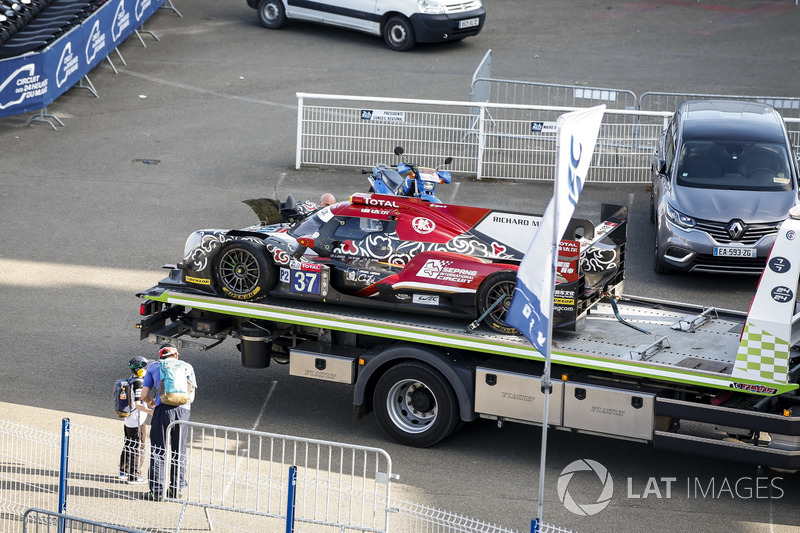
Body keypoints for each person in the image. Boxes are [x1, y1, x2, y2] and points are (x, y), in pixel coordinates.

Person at [140, 345, 198, 501]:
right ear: (176, 355)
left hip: (162, 410)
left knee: (159, 450)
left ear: (161, 356)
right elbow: (191, 398)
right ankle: (176, 489)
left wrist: (151, 401)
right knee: (179, 451)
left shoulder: (154, 367)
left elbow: (144, 394)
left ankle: (157, 491)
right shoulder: (187, 367)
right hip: (183, 411)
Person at [119, 356, 153, 484]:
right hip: (136, 421)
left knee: (128, 444)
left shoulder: (131, 379)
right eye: (145, 368)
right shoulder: (139, 382)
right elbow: (138, 404)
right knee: (138, 447)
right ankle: (134, 476)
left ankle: (124, 471)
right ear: (140, 371)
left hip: (129, 420)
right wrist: (150, 411)